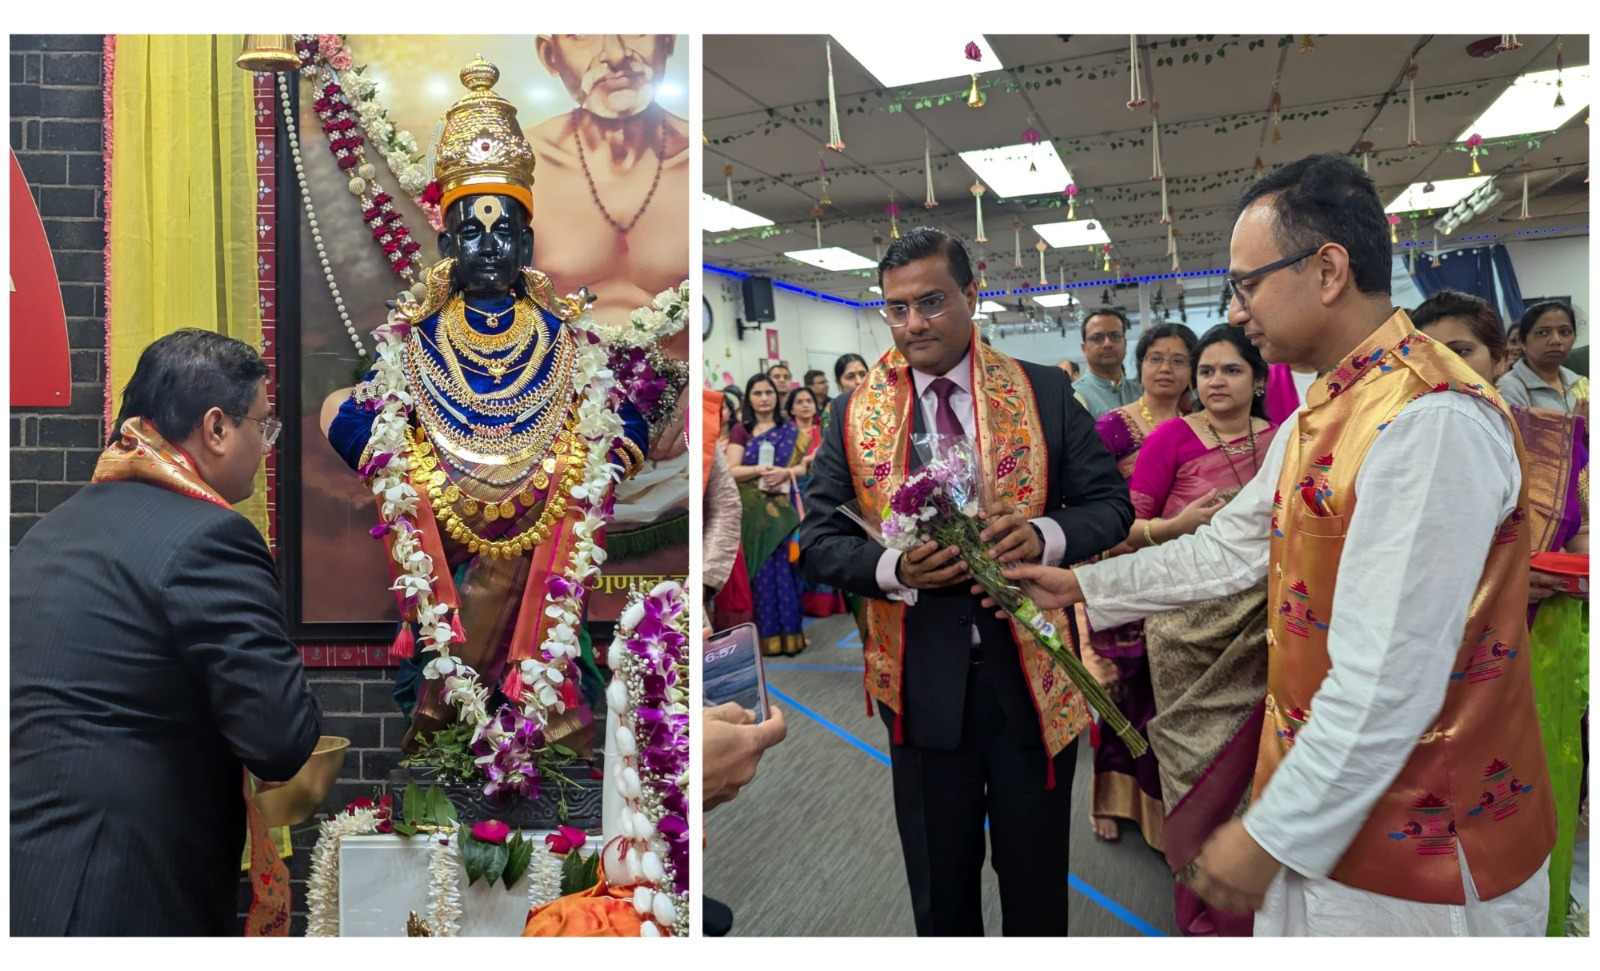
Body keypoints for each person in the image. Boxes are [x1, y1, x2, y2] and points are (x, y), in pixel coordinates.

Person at [998, 153, 1556, 937]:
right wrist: (1085, 587)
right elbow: (1230, 547)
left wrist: (1269, 832)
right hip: (1323, 790)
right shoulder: (1327, 405)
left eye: (1246, 284)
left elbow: (1390, 676)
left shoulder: (1432, 420)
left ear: (1327, 270)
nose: (1236, 309)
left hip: (1427, 835)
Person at [800, 227, 1133, 936]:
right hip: (920, 683)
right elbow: (820, 541)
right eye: (896, 308)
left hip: (1032, 677)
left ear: (971, 295)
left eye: (931, 301)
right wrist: (894, 569)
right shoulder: (854, 413)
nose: (913, 323)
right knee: (940, 889)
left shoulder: (1042, 390)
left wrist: (1041, 534)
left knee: (1036, 886)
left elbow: (1111, 505)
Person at [324, 59, 650, 755]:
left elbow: (625, 421)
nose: (491, 244)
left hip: (543, 564)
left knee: (549, 725)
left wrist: (579, 463)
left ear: (526, 242)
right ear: (447, 244)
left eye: (505, 231)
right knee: (445, 734)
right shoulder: (413, 340)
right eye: (472, 230)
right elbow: (355, 420)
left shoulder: (567, 337)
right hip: (448, 562)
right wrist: (406, 467)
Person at [11, 330, 323, 936]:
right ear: (216, 427)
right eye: (263, 425)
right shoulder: (211, 536)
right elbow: (279, 737)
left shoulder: (53, 528)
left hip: (30, 877)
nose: (266, 448)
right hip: (124, 891)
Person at [1412, 289, 1589, 935]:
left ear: (1498, 356)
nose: (1445, 366)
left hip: (1545, 636)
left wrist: (1573, 567)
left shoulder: (1554, 436)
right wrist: (1508, 582)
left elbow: (1580, 524)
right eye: (1427, 353)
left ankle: (1545, 917)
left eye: (1461, 350)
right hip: (1446, 651)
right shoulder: (1402, 440)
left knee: (1540, 781)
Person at [1129, 325, 1279, 937]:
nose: (1216, 381)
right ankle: (1202, 917)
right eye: (1207, 371)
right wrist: (1177, 527)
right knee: (1195, 767)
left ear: (1259, 380)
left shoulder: (1284, 440)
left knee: (1256, 767)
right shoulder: (1170, 438)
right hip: (1183, 630)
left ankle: (1254, 910)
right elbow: (1125, 530)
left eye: (1232, 370)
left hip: (1260, 628)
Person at [1080, 321, 1198, 847]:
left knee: (1173, 699)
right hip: (1126, 564)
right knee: (1123, 693)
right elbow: (1088, 502)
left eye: (1178, 360)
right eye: (1156, 358)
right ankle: (1109, 798)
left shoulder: (1202, 426)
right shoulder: (1114, 427)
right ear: (1140, 364)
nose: (1165, 369)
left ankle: (1169, 803)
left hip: (1188, 574)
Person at [527, 35, 687, 327]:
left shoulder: (695, 158)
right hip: (563, 356)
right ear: (550, 55)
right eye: (581, 33)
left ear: (668, 39)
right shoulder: (522, 164)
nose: (615, 55)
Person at [727, 374, 807, 656]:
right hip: (754, 516)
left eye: (768, 392)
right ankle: (766, 639)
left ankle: (792, 636)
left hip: (783, 514)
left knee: (788, 573)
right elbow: (732, 469)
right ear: (749, 398)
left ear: (776, 396)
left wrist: (785, 472)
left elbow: (803, 468)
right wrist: (759, 470)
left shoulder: (790, 430)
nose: (764, 398)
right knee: (760, 575)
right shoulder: (742, 430)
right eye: (757, 393)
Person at [1498, 301, 1587, 415]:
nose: (1556, 340)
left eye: (1564, 332)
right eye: (1543, 333)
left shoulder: (1580, 383)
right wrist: (1576, 423)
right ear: (1523, 341)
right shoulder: (1508, 387)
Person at [1073, 307, 1143, 418]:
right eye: (1097, 338)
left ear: (1125, 344)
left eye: (1115, 336)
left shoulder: (1142, 393)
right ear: (1084, 349)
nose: (1107, 344)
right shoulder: (1074, 397)